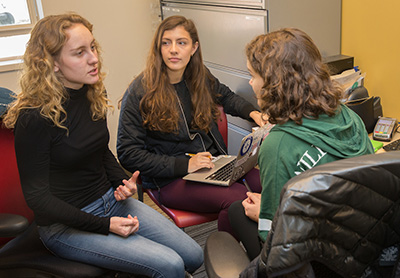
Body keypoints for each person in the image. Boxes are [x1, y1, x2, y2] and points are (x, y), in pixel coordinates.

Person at [3, 13, 203, 278]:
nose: (94, 58)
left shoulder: (92, 90)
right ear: (52, 63)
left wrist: (122, 181)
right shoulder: (33, 117)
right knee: (171, 265)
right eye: (79, 53)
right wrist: (104, 225)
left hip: (111, 202)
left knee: (194, 255)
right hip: (65, 226)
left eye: (93, 47)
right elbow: (38, 200)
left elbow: (100, 151)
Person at [228, 28, 375, 260]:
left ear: (273, 84)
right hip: (363, 242)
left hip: (315, 259)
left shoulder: (277, 145)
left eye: (253, 75)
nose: (250, 81)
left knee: (236, 210)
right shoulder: (348, 116)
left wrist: (265, 214)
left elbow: (276, 237)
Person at [117, 15, 264, 235]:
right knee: (238, 200)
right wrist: (185, 165)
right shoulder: (139, 91)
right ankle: (227, 258)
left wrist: (254, 113)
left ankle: (264, 247)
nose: (173, 50)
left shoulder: (198, 75)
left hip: (212, 165)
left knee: (269, 183)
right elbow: (128, 153)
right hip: (169, 180)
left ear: (194, 47)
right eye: (166, 43)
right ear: (158, 47)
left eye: (181, 43)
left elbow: (226, 97)